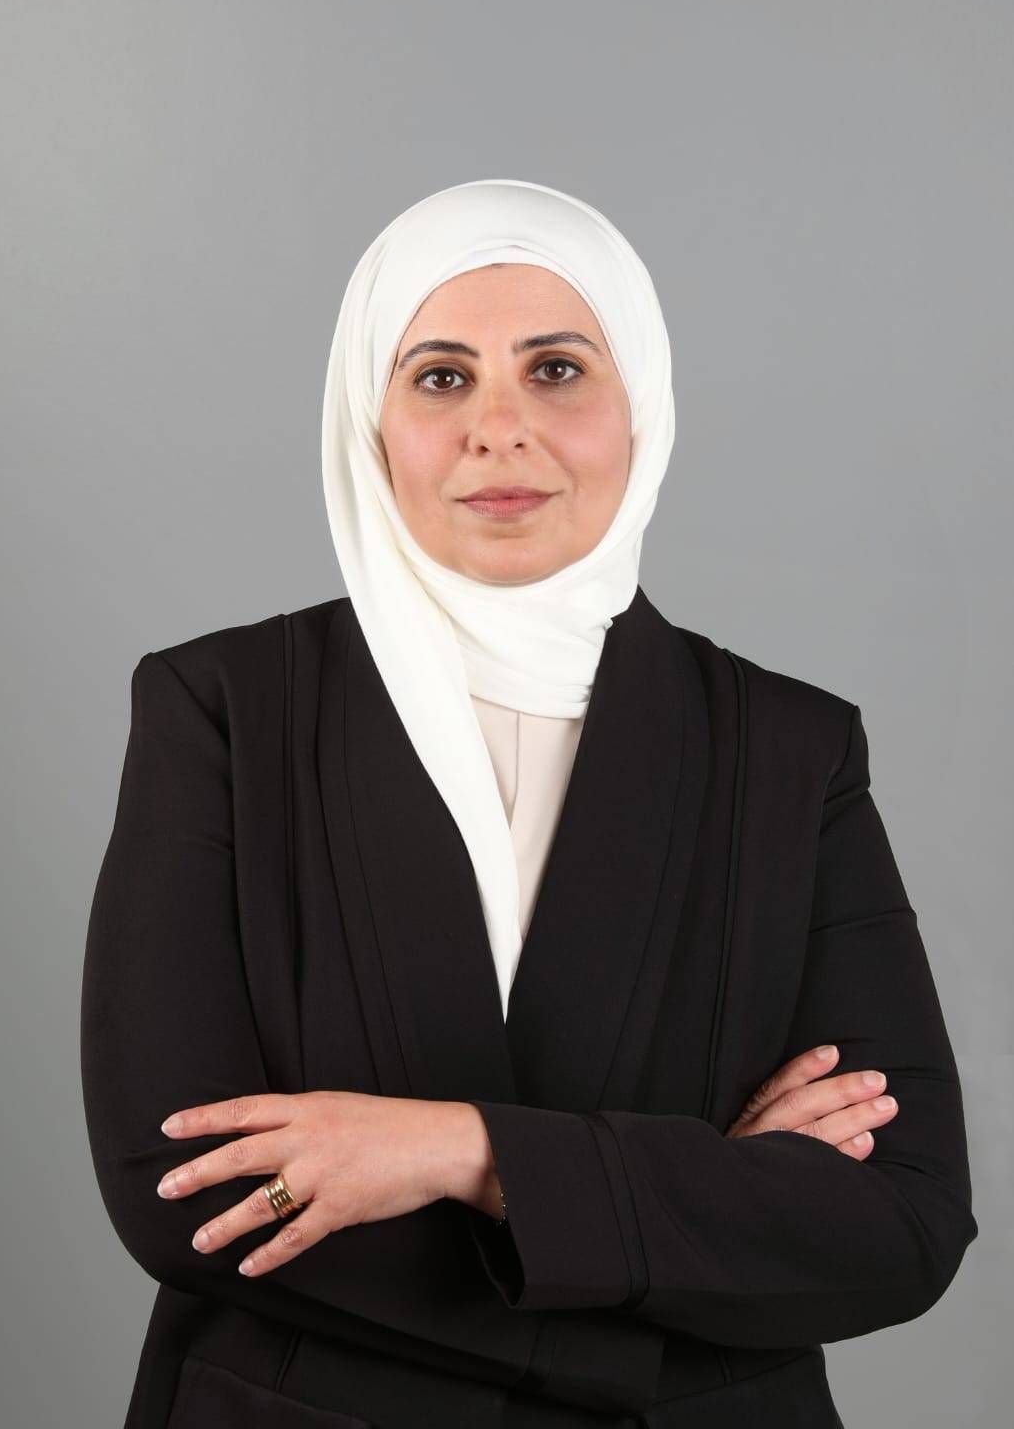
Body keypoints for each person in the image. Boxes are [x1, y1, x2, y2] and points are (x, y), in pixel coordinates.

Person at [80, 179, 977, 1428]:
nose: (498, 430)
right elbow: (188, 1191)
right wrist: (691, 1206)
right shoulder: (225, 711)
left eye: (556, 370)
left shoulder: (789, 748)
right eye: (441, 377)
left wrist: (460, 1153)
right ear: (369, 418)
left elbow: (902, 1219)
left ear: (639, 400)